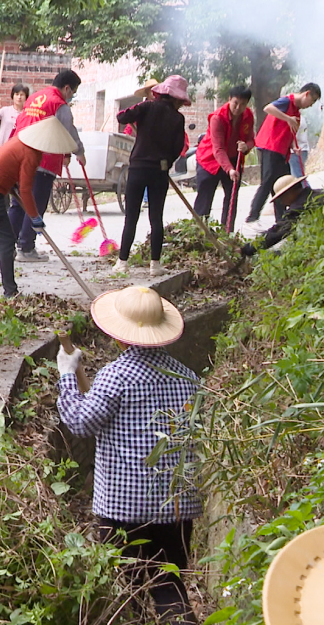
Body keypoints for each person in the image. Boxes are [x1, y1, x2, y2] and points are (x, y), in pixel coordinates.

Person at [57, 285, 201, 625]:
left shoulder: (116, 376)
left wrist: (66, 375)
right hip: (176, 507)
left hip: (124, 509)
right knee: (169, 587)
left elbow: (80, 423)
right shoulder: (188, 378)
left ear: (119, 337)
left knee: (127, 593)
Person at [0, 117, 78, 298]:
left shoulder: (20, 142)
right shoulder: (31, 153)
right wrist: (34, 217)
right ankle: (10, 292)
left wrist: (14, 185)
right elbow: (26, 190)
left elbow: (14, 174)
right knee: (7, 243)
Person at [113, 75, 191, 277]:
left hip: (138, 168)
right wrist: (166, 161)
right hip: (159, 171)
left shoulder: (146, 107)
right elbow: (177, 147)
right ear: (176, 98)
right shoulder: (178, 118)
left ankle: (122, 262)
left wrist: (137, 111)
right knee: (156, 218)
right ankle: (155, 265)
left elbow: (121, 117)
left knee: (131, 217)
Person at [8, 70, 86, 262]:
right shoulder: (59, 105)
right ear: (67, 88)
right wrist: (79, 151)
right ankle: (26, 248)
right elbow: (68, 131)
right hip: (42, 159)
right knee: (35, 204)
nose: (71, 96)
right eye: (73, 92)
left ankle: (7, 246)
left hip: (19, 153)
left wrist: (66, 154)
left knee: (19, 204)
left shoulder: (35, 97)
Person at [245, 83, 321, 231]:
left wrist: (293, 146)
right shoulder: (287, 101)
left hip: (282, 151)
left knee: (283, 187)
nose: (310, 105)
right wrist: (287, 118)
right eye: (312, 101)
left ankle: (281, 221)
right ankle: (252, 217)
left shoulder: (296, 112)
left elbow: (288, 131)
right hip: (271, 146)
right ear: (306, 94)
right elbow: (268, 108)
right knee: (268, 182)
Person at [192, 86, 254, 229]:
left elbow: (251, 139)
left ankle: (227, 233)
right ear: (229, 99)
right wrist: (229, 169)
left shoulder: (248, 115)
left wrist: (246, 146)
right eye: (235, 103)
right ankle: (199, 232)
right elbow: (218, 149)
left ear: (247, 104)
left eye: (243, 104)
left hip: (233, 159)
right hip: (209, 160)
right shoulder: (218, 118)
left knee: (232, 198)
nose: (238, 108)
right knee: (204, 199)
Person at [241, 175, 322, 257]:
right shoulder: (318, 194)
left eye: (281, 198)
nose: (282, 202)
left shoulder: (298, 209)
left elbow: (277, 233)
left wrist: (247, 248)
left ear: (289, 193)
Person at [0, 83, 29, 157]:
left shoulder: (27, 114)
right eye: (17, 94)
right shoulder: (5, 111)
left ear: (26, 97)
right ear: (13, 96)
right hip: (2, 149)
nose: (19, 97)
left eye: (22, 95)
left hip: (17, 152)